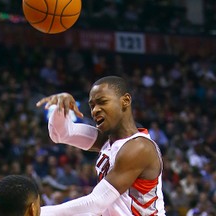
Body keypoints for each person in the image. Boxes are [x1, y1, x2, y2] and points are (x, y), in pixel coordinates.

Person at [36, 76, 166, 215]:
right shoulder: (108, 139)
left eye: (102, 102)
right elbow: (61, 134)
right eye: (92, 106)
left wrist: (40, 213)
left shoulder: (139, 147)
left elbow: (96, 202)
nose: (95, 110)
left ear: (125, 101)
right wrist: (60, 108)